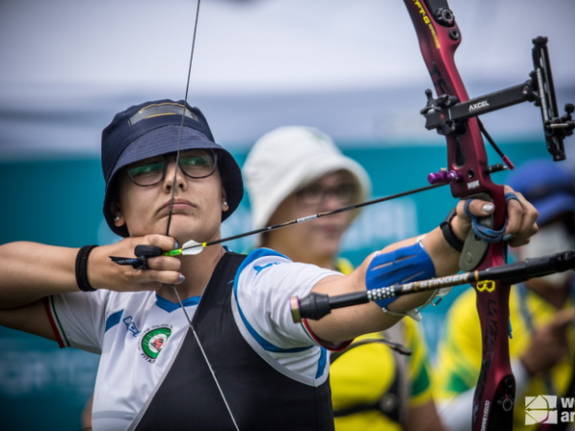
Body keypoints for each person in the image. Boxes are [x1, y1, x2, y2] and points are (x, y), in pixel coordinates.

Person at [0, 99, 537, 431]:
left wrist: (454, 234)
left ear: (225, 197)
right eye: (146, 168)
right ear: (116, 209)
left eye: (194, 162)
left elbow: (355, 291)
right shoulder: (113, 304)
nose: (174, 178)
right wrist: (92, 267)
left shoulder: (258, 285)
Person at [243, 126, 446, 430]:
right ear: (272, 206)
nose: (333, 206)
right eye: (311, 190)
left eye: (341, 191)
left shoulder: (386, 296)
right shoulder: (236, 297)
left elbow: (426, 424)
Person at [434, 159, 575, 431]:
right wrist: (526, 366)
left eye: (563, 223)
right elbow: (445, 421)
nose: (552, 236)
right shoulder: (478, 310)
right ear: (511, 236)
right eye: (537, 227)